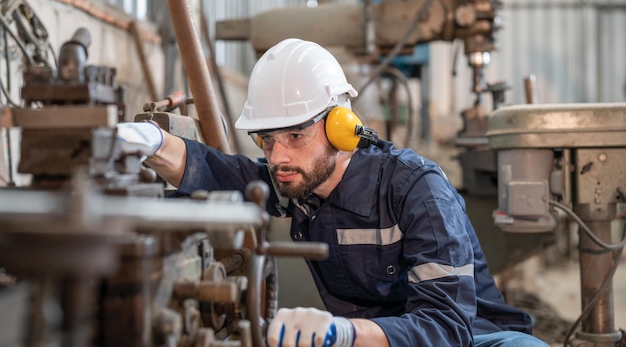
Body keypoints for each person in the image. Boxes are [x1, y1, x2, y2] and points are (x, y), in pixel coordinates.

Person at [118, 38, 549, 347]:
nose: (278, 156)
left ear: (340, 128)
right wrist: (152, 143)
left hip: (475, 338)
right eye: (266, 139)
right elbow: (224, 173)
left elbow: (446, 327)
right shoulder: (298, 180)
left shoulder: (418, 190)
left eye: (295, 135)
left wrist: (344, 333)